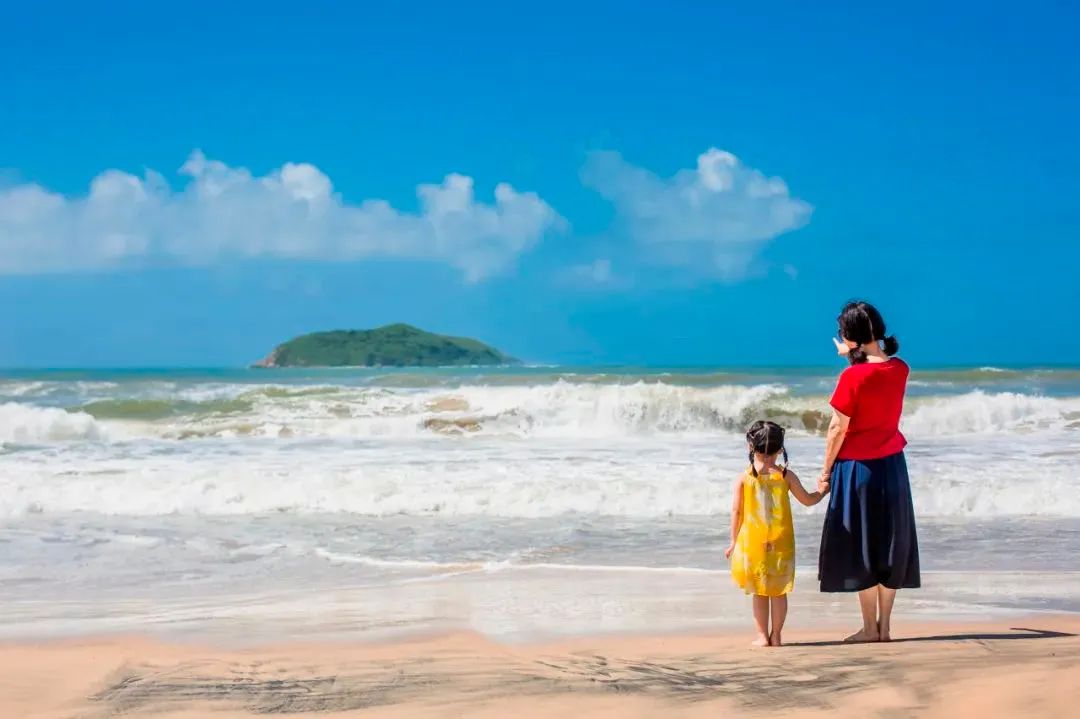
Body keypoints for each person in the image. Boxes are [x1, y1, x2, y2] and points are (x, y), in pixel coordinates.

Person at [818, 300, 920, 643]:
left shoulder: (851, 376)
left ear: (851, 338)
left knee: (862, 546)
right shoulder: (901, 368)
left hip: (857, 469)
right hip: (892, 466)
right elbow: (877, 366)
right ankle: (886, 626)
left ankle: (869, 628)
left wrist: (825, 471)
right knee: (889, 543)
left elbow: (837, 429)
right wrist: (854, 350)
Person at [726, 420, 825, 647]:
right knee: (779, 591)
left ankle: (762, 636)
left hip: (753, 541)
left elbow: (736, 512)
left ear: (751, 447)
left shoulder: (744, 478)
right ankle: (777, 636)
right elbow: (808, 500)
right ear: (780, 449)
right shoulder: (786, 477)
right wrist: (822, 491)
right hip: (782, 541)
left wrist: (733, 541)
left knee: (759, 592)